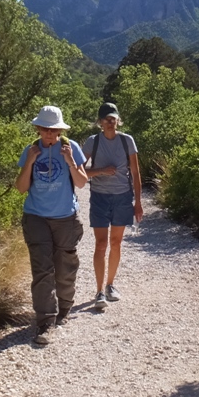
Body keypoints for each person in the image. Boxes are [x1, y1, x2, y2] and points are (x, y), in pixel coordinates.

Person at [15, 105, 88, 345]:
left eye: (53, 129)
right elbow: (21, 187)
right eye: (45, 129)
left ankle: (64, 308)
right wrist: (30, 161)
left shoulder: (71, 148)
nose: (49, 133)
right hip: (36, 216)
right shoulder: (30, 150)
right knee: (42, 269)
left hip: (65, 217)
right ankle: (45, 322)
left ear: (59, 130)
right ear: (38, 128)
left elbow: (81, 183)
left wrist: (68, 160)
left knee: (65, 265)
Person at [82, 102, 143, 310]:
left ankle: (110, 285)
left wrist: (138, 203)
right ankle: (99, 291)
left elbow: (135, 173)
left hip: (122, 198)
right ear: (100, 122)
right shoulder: (93, 142)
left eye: (113, 118)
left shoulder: (127, 141)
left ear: (118, 120)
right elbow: (80, 172)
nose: (110, 122)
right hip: (99, 197)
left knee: (116, 243)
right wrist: (100, 171)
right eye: (106, 119)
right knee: (101, 244)